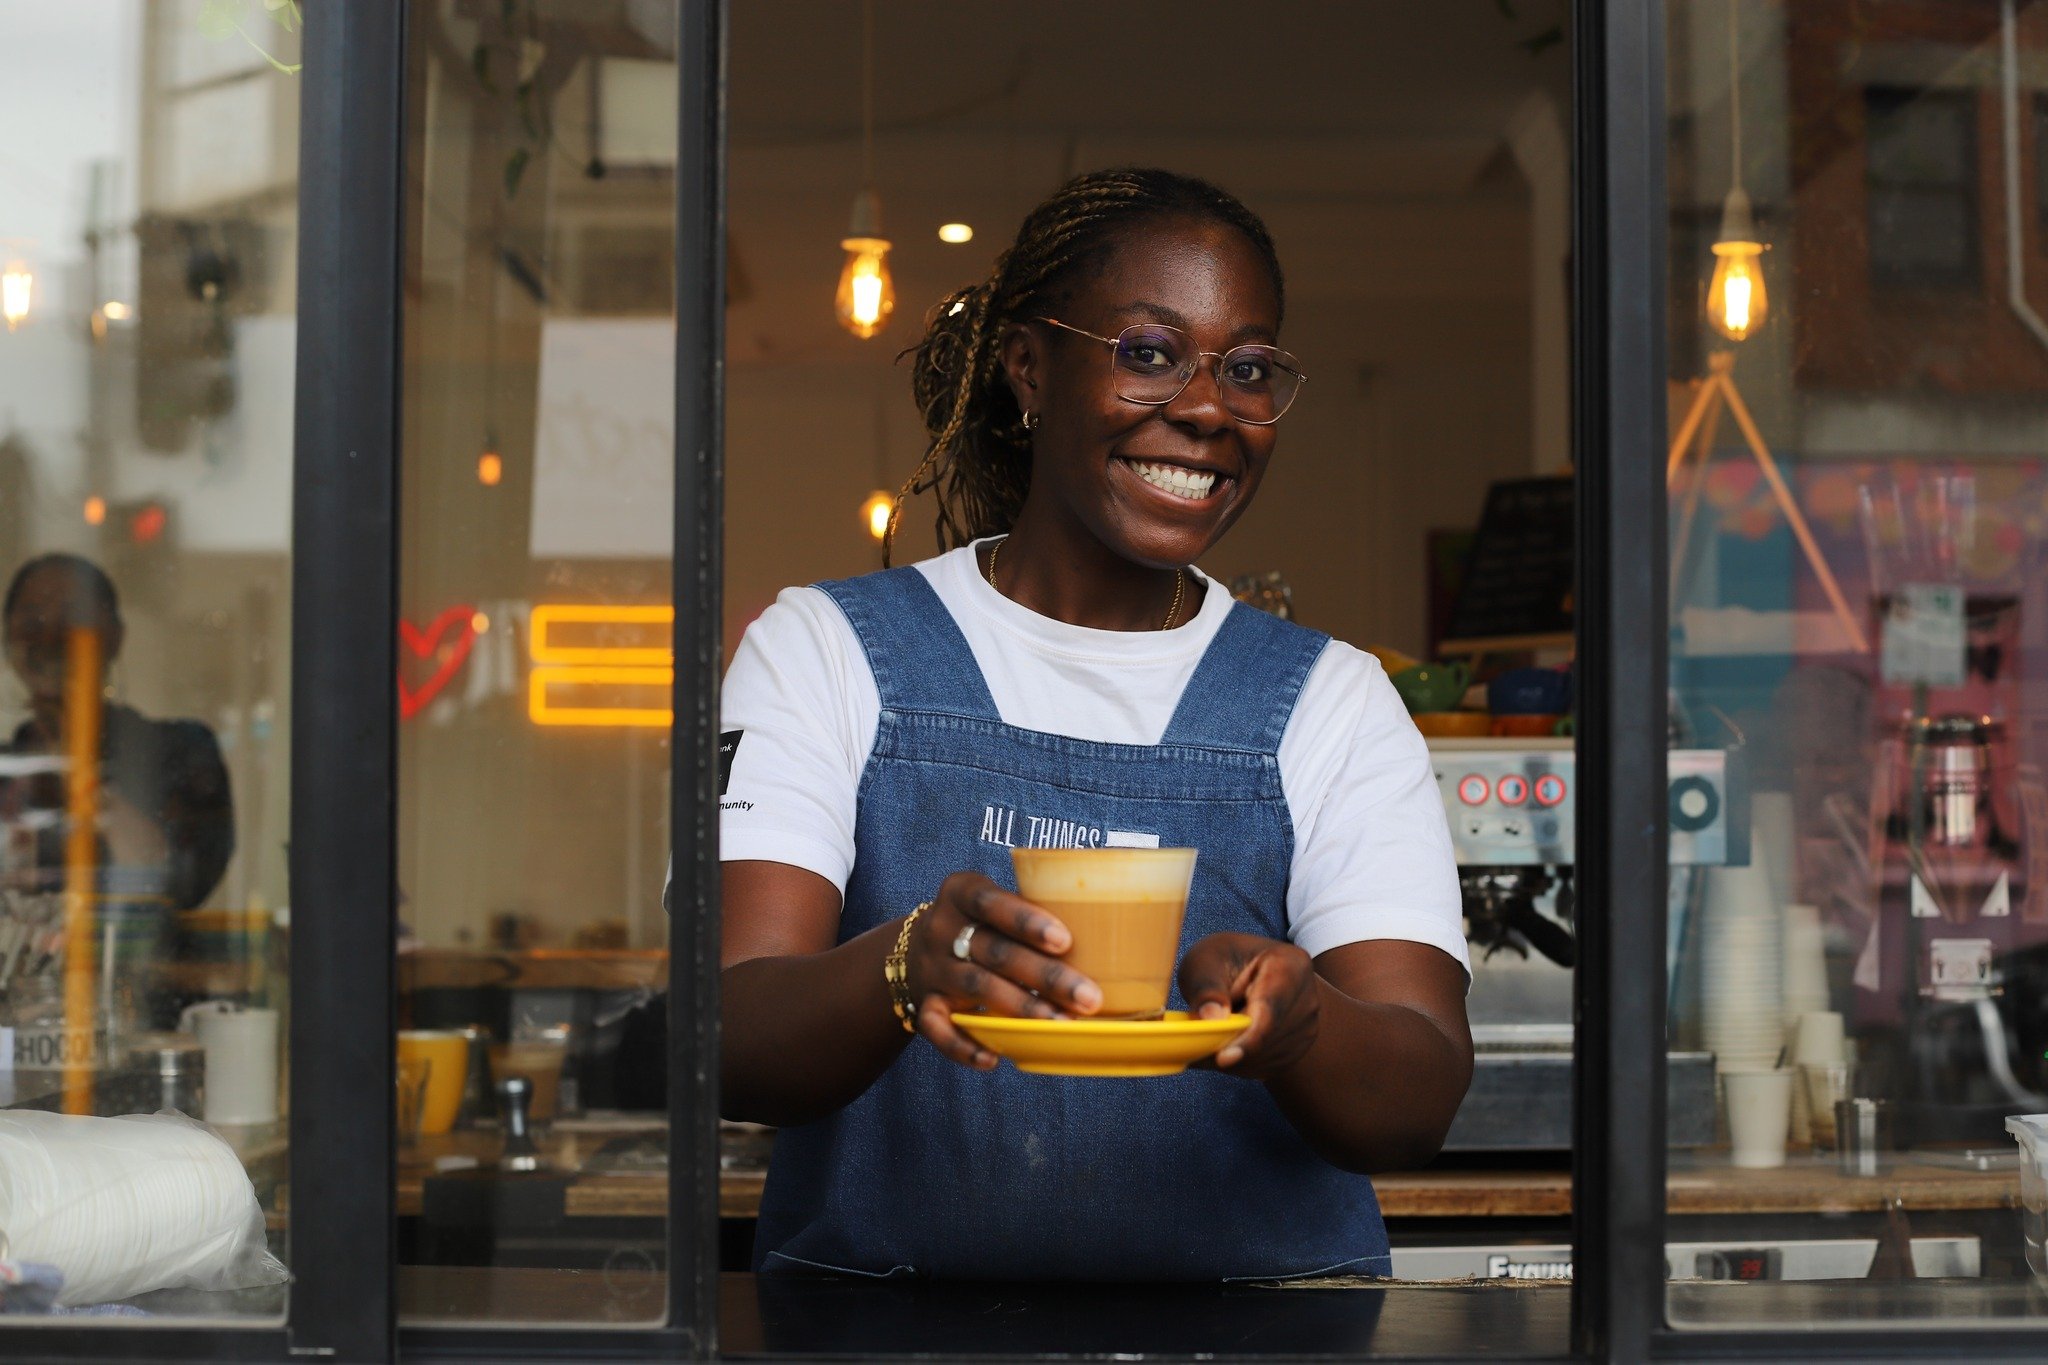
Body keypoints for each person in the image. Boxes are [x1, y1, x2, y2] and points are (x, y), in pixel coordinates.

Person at [717, 168, 1471, 1280]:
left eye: (1249, 369)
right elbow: (726, 1036)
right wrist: (907, 965)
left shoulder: (1331, 699)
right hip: (880, 1340)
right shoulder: (825, 651)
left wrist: (1304, 1021)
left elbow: (1417, 1093)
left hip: (1260, 1345)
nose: (1209, 408)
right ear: (1027, 367)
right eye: (1149, 352)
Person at [2, 553, 234, 913]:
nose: (50, 636)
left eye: (72, 616)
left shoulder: (180, 751)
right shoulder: (10, 772)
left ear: (114, 637)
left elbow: (182, 883)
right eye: (33, 619)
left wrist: (82, 776)